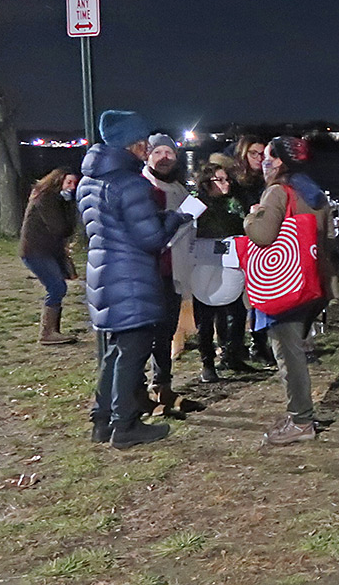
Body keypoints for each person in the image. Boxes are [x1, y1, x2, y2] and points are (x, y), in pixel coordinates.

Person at [80, 110, 188, 449]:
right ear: (136, 145)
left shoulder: (90, 180)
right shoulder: (130, 183)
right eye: (144, 144)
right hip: (131, 278)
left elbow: (111, 227)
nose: (147, 150)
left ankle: (102, 421)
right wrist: (173, 219)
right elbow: (151, 239)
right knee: (133, 351)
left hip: (104, 273)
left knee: (115, 351)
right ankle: (125, 426)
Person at [244, 136, 337, 445]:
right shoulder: (312, 192)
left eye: (267, 157)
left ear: (279, 161)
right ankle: (299, 414)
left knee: (288, 354)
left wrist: (252, 215)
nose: (262, 162)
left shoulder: (276, 193)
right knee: (296, 348)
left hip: (284, 284)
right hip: (313, 282)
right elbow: (328, 238)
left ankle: (301, 420)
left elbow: (261, 234)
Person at [141, 133, 194, 410]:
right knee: (148, 333)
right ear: (147, 155)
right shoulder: (145, 187)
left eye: (169, 153)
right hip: (151, 271)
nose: (164, 157)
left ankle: (163, 387)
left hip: (174, 270)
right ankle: (141, 393)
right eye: (158, 152)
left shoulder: (178, 188)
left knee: (166, 331)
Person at [192, 161, 249, 380]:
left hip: (228, 263)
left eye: (227, 179)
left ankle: (231, 355)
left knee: (236, 311)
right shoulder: (199, 205)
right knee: (206, 317)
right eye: (220, 180)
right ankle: (207, 362)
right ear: (208, 183)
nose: (226, 184)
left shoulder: (232, 203)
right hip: (204, 265)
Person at [19, 167, 81, 345]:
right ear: (58, 181)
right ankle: (48, 332)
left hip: (44, 250)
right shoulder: (47, 198)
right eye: (68, 182)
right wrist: (69, 205)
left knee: (57, 287)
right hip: (36, 251)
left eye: (74, 184)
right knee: (56, 287)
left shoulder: (50, 197)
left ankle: (52, 330)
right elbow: (60, 228)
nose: (71, 187)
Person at [230, 135, 274, 366]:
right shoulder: (234, 181)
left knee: (261, 296)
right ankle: (234, 348)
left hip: (262, 241)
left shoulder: (267, 180)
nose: (258, 159)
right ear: (243, 155)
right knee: (236, 299)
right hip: (241, 241)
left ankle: (260, 343)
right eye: (253, 154)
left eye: (262, 154)